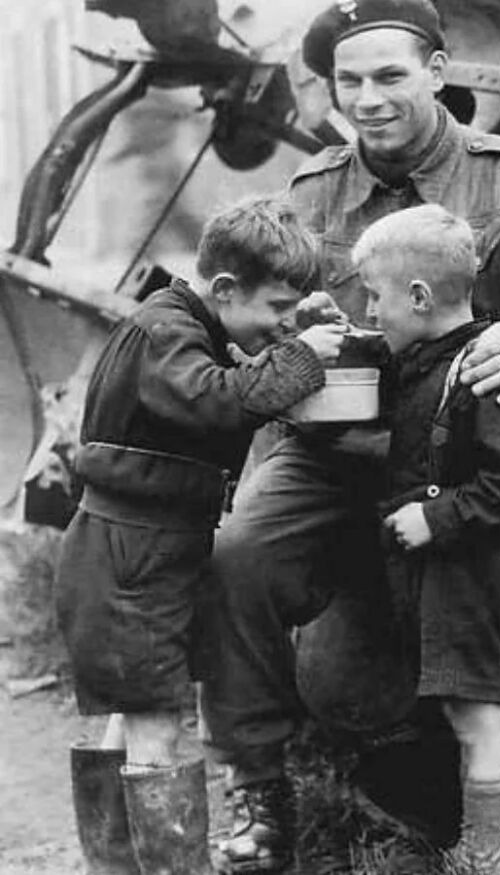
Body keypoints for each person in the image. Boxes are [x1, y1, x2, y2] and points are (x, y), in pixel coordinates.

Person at [204, 0, 500, 870]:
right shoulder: (312, 190)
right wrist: (298, 328)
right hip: (344, 436)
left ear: (438, 73)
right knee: (240, 548)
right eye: (348, 82)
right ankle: (260, 781)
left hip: (482, 421)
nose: (367, 99)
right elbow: (260, 316)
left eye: (390, 76)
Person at [55, 196, 347, 875]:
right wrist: (302, 356)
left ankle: (118, 867)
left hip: (134, 549)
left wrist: (290, 332)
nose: (281, 323)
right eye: (276, 306)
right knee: (158, 724)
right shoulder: (167, 333)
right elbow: (219, 399)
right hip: (130, 555)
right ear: (222, 289)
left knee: (132, 714)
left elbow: (227, 375)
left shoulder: (189, 327)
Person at [357, 204, 500, 875]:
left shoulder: (482, 368)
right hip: (453, 569)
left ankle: (480, 860)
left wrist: (436, 518)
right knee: (465, 712)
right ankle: (474, 846)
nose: (369, 311)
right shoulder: (429, 353)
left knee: (478, 717)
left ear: (417, 296)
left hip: (473, 567)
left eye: (373, 296)